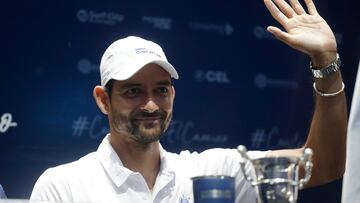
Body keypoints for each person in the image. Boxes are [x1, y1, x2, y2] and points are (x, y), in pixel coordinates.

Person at [30, 0, 347, 202]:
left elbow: (323, 164)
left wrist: (326, 63)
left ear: (173, 93)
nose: (151, 104)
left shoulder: (213, 174)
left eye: (161, 90)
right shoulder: (63, 187)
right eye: (133, 91)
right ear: (103, 100)